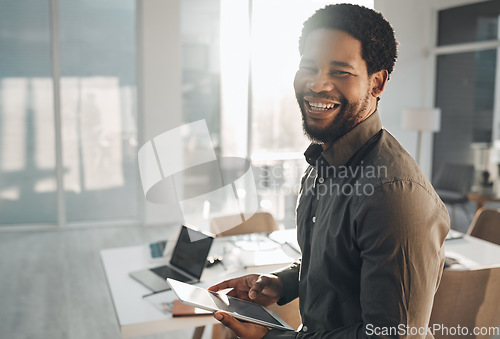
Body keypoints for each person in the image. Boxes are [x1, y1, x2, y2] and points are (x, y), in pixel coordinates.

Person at [209, 4, 450, 338]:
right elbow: (335, 264)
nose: (318, 84)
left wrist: (272, 338)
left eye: (340, 72)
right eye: (309, 67)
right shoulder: (322, 163)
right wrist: (281, 283)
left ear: (376, 83)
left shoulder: (392, 195)